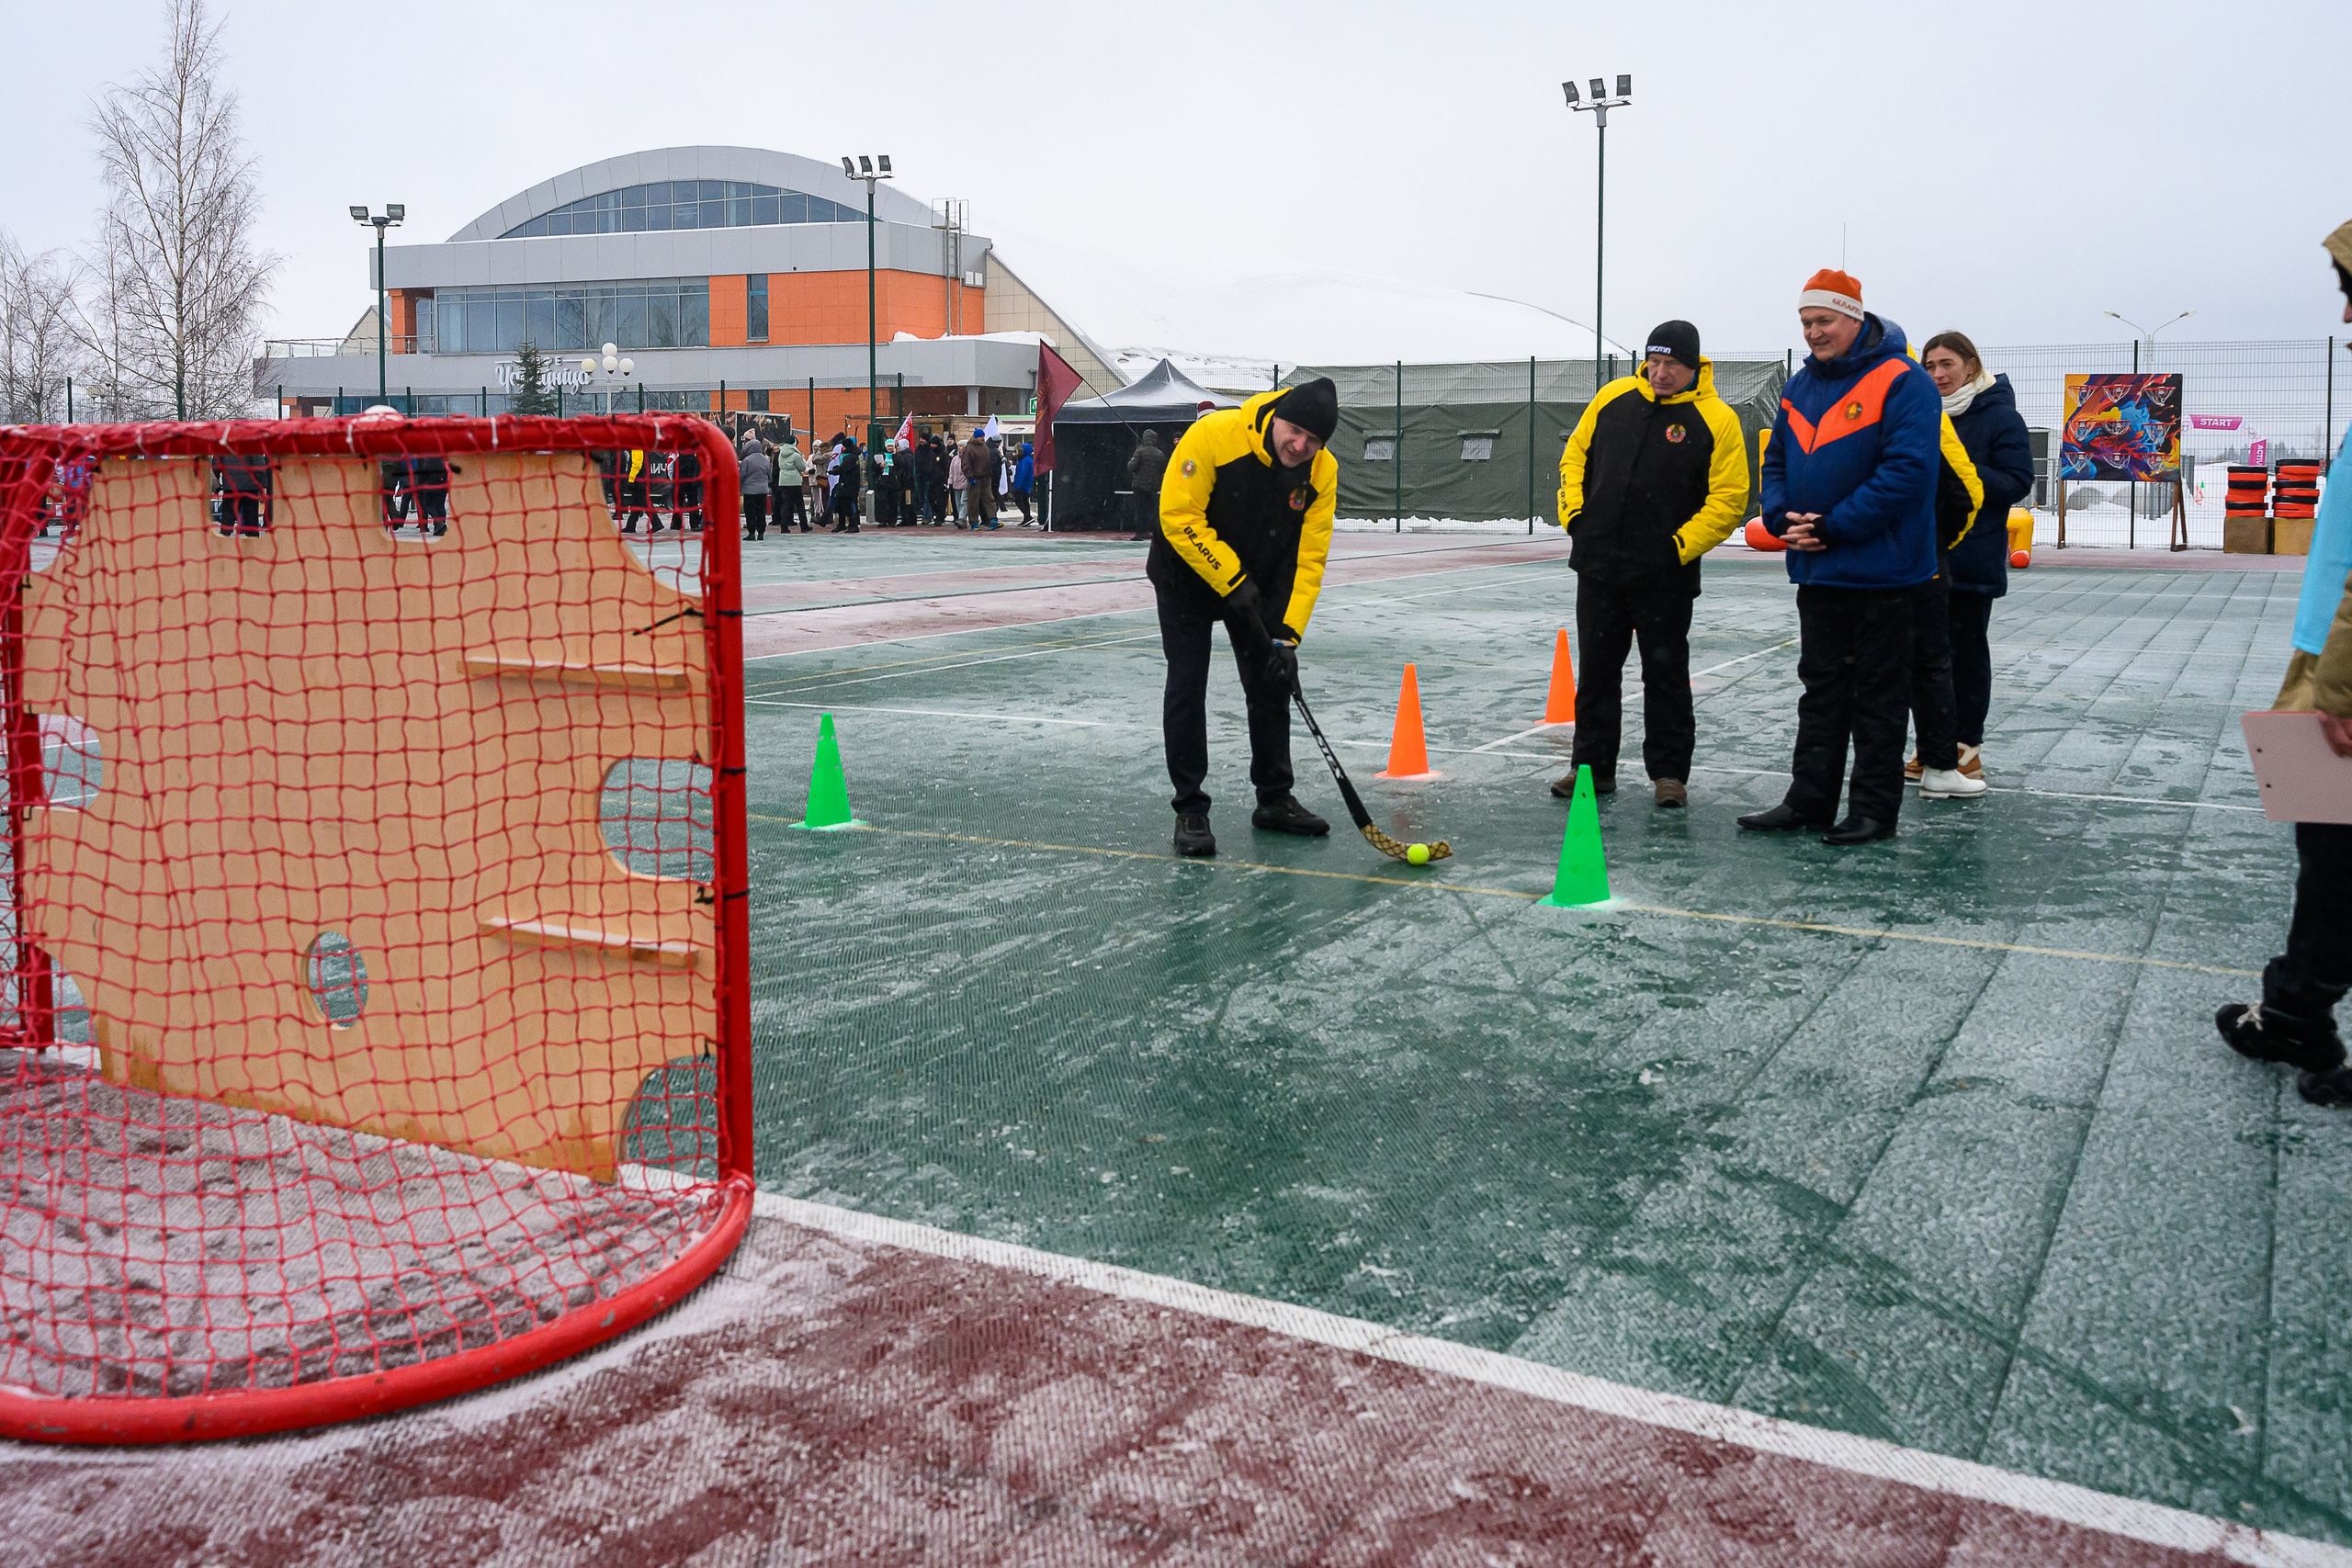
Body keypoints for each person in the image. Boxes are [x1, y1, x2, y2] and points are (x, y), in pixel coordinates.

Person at [2216, 220, 2352, 1105]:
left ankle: (2299, 1008)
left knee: (2337, 848)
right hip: (2332, 649)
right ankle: (2297, 1007)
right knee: (2328, 843)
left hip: (2344, 663)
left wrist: (2338, 685)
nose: (2344, 308)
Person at [1737, 269, 1940, 846]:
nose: (1814, 333)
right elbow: (1774, 461)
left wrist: (1834, 526)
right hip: (1819, 568)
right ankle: (1809, 801)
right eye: (1806, 323)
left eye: (1824, 321)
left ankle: (1874, 810)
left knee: (1880, 693)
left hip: (1884, 572)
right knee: (1821, 688)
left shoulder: (1903, 380)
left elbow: (1907, 473)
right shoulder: (1799, 386)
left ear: (1855, 317)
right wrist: (1780, 520)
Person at [1551, 320, 1746, 809]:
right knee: (1597, 671)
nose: (1660, 373)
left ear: (1693, 366)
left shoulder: (1717, 420)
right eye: (1654, 362)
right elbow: (1574, 457)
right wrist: (1574, 514)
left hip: (1666, 574)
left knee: (1665, 674)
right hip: (1599, 564)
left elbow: (1728, 500)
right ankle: (1591, 769)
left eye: (1672, 365)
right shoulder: (1612, 398)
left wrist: (1678, 547)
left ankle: (1669, 774)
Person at [1147, 378, 1341, 857]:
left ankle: (1274, 799)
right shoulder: (1214, 435)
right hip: (1185, 577)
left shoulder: (1322, 472)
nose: (1300, 446)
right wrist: (1231, 579)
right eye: (1294, 431)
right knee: (1188, 684)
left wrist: (1288, 637)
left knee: (1270, 680)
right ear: (1277, 417)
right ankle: (1190, 809)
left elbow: (1309, 557)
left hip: (1259, 580)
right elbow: (1179, 515)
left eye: (1313, 440)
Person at [1922, 331, 2034, 780]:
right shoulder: (1925, 415)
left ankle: (1967, 750)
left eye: (1946, 364)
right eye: (1929, 367)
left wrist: (1962, 474)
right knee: (1928, 658)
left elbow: (2016, 480)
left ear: (1971, 364)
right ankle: (1933, 747)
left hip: (1972, 560)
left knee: (1965, 658)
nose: (1937, 375)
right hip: (1926, 556)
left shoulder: (2000, 417)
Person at [1128, 429, 1169, 534]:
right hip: (1153, 486)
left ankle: (1139, 532)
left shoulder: (1140, 451)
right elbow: (1163, 469)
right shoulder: (1160, 454)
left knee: (1140, 510)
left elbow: (1131, 466)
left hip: (1139, 485)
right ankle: (1149, 531)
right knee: (1151, 510)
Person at [961, 428, 997, 528]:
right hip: (975, 478)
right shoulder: (969, 448)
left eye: (983, 436)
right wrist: (970, 476)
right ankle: (974, 522)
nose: (983, 438)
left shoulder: (985, 447)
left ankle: (992, 519)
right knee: (973, 501)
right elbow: (965, 464)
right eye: (981, 436)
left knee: (989, 499)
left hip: (986, 477)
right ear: (976, 437)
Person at [739, 435, 772, 539]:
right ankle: (761, 533)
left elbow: (742, 475)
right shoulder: (766, 460)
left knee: (750, 512)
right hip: (762, 490)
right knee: (761, 512)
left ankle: (752, 533)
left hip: (749, 490)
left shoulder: (747, 461)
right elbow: (769, 476)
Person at [775, 435, 808, 531]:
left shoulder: (781, 454)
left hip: (783, 481)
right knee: (799, 504)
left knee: (785, 504)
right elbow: (802, 467)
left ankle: (784, 527)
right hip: (794, 481)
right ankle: (804, 526)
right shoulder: (796, 455)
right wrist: (803, 460)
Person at [829, 436, 862, 532]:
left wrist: (833, 471)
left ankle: (853, 524)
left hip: (849, 484)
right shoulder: (851, 456)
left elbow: (844, 468)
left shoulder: (850, 457)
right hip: (846, 483)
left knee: (847, 505)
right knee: (841, 504)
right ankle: (841, 524)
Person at [946, 434, 969, 526]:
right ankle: (962, 518)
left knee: (964, 501)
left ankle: (962, 518)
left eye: (961, 446)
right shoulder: (955, 459)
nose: (959, 448)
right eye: (959, 446)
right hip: (956, 484)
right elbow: (951, 471)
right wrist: (950, 481)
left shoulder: (968, 458)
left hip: (965, 483)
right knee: (958, 502)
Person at [1010, 439, 1035, 525]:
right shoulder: (1028, 459)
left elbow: (1023, 474)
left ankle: (1027, 516)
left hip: (1022, 484)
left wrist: (1018, 485)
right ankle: (1026, 518)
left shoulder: (1025, 461)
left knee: (1018, 500)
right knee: (1025, 501)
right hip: (1027, 484)